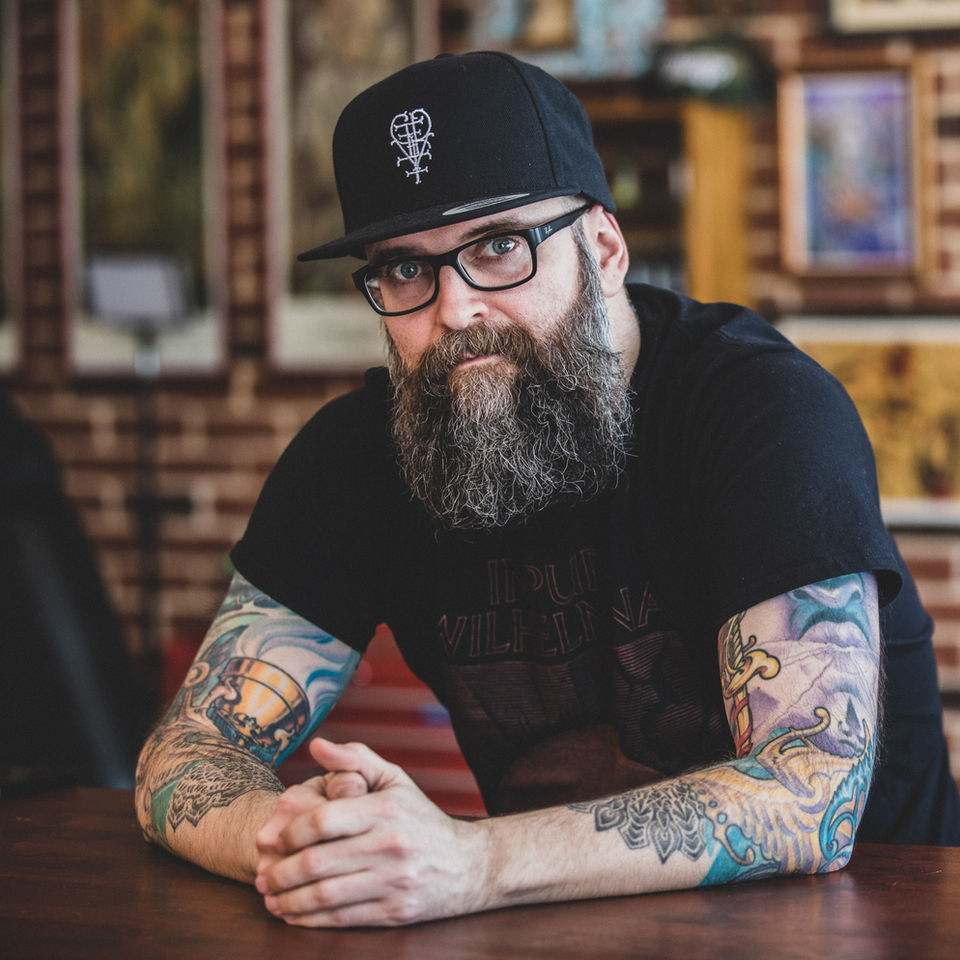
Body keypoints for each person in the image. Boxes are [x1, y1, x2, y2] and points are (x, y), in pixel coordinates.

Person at [135, 51, 960, 926]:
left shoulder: (762, 411)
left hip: (862, 927)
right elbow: (180, 757)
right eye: (406, 270)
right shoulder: (361, 454)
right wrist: (302, 839)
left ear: (603, 249)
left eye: (500, 248)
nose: (454, 309)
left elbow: (811, 794)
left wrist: (475, 861)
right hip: (559, 930)